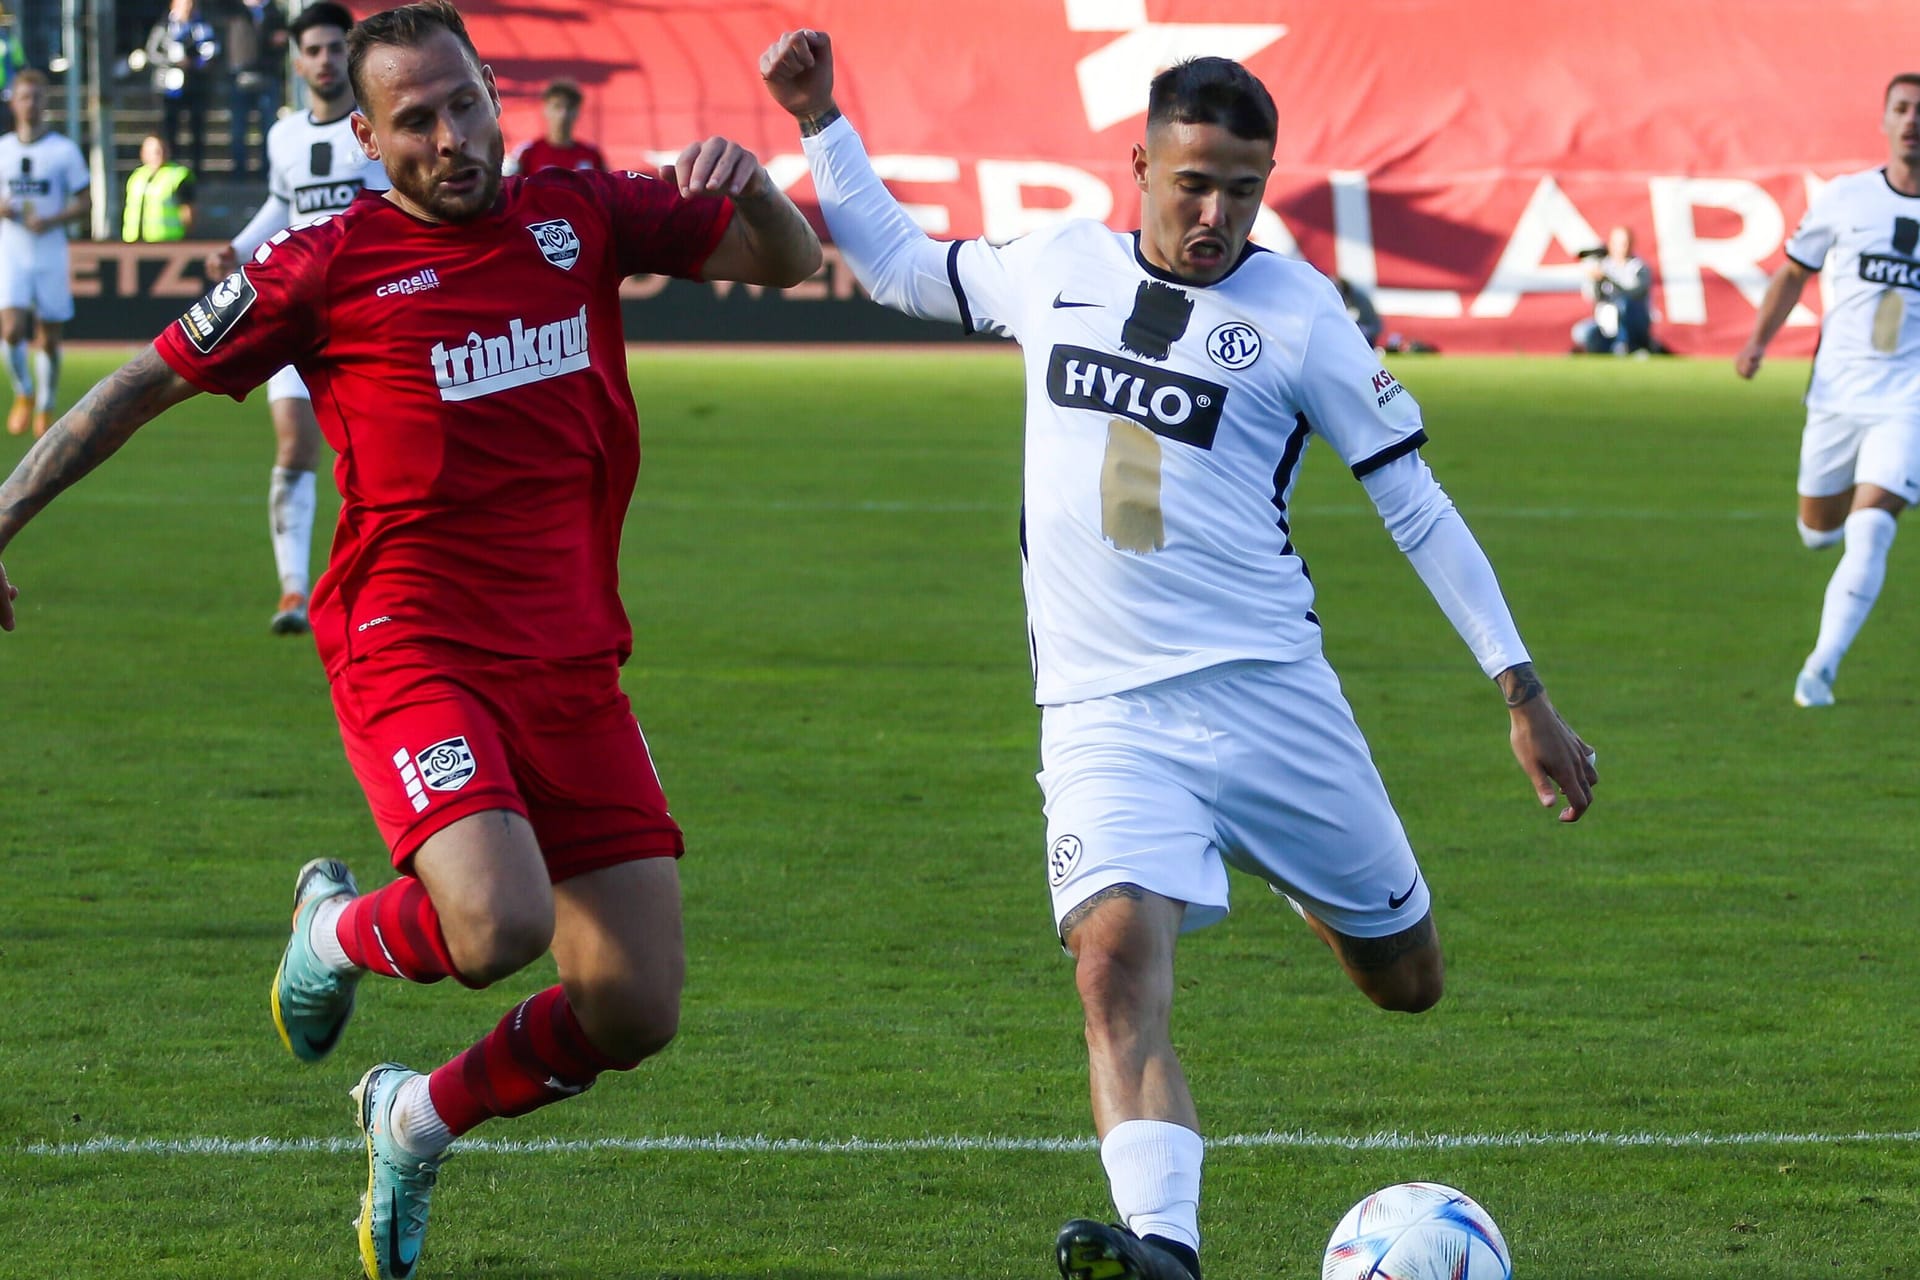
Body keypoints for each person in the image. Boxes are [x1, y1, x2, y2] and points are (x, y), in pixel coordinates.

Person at [0, 4, 819, 1277]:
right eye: (417, 120)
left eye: (465, 103)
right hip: (411, 642)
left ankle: (415, 1114)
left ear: (496, 93)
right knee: (497, 923)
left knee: (637, 1001)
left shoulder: (579, 210)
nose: (452, 136)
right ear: (369, 140)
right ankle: (330, 930)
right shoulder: (323, 266)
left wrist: (756, 186)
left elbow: (786, 265)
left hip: (573, 657)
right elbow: (136, 385)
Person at [762, 30, 1595, 1280]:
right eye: (1193, 183)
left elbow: (1413, 503)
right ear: (1138, 163)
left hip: (1269, 700)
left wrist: (1521, 691)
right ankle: (1167, 1246)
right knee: (1113, 964)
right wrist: (823, 117)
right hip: (1102, 710)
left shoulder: (1303, 316)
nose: (1215, 215)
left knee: (1407, 980)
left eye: (1243, 191)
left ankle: (1284, 866)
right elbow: (890, 263)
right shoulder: (1054, 263)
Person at [1735, 73, 1920, 707]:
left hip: (1909, 401)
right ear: (1884, 120)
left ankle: (1820, 668)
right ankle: (1836, 540)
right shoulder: (1846, 199)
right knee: (1819, 532)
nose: (1912, 120)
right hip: (1837, 396)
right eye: (1901, 108)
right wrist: (1759, 341)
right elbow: (1794, 272)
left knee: (1873, 530)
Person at [204, 0, 383, 635]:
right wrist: (240, 248)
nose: (326, 60)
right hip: (292, 311)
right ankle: (292, 591)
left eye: (337, 48)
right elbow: (282, 206)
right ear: (297, 59)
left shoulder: (375, 128)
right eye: (314, 50)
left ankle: (381, 589)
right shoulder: (283, 134)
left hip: (371, 314)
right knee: (294, 444)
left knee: (380, 458)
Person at [0, 69, 91, 439]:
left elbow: (86, 202)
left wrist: (53, 218)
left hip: (50, 250)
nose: (30, 105)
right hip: (12, 250)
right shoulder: (3, 148)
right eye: (24, 97)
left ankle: (46, 404)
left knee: (49, 337)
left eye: (37, 97)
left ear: (45, 103)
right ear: (13, 102)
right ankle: (23, 392)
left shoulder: (63, 150)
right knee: (10, 329)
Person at [144, 0, 220, 176]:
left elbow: (213, 50)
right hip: (169, 88)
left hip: (196, 86)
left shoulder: (202, 27)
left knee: (197, 129)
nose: (187, 9)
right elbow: (152, 53)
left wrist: (196, 63)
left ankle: (197, 171)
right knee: (170, 129)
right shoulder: (164, 27)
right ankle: (171, 167)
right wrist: (172, 61)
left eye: (190, 5)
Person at [221, 0, 289, 178]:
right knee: (238, 127)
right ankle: (239, 169)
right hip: (240, 75)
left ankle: (266, 169)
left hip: (267, 75)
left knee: (268, 126)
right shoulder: (235, 11)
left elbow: (283, 41)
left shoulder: (274, 12)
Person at [1572, 225, 1654, 354]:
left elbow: (1636, 293)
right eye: (1616, 243)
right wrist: (1596, 280)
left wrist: (1608, 279)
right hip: (1606, 325)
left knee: (1623, 305)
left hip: (1633, 324)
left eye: (1624, 243)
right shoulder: (1604, 265)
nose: (1621, 248)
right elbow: (1595, 298)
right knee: (1581, 332)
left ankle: (1628, 346)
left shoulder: (1638, 267)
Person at [502, 76, 605, 175]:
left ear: (578, 111)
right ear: (545, 109)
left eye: (569, 107)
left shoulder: (592, 155)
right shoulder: (528, 153)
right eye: (557, 106)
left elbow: (608, 189)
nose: (563, 114)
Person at [122, 133, 196, 242]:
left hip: (167, 243)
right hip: (134, 244)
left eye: (162, 150)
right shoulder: (136, 177)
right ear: (143, 153)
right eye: (154, 151)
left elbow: (188, 212)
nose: (158, 154)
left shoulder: (178, 175)